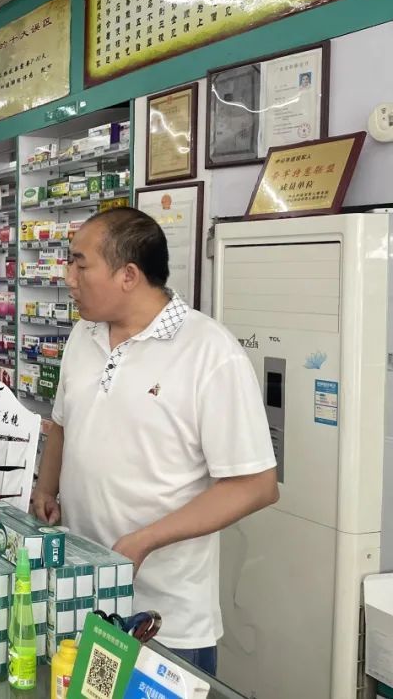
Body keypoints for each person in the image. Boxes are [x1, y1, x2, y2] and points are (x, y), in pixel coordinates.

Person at [32, 207, 278, 676]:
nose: (68, 279)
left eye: (80, 265)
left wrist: (144, 541)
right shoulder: (83, 335)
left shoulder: (209, 353)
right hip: (79, 595)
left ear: (128, 275)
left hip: (164, 620)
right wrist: (47, 487)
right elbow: (63, 422)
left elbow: (256, 485)